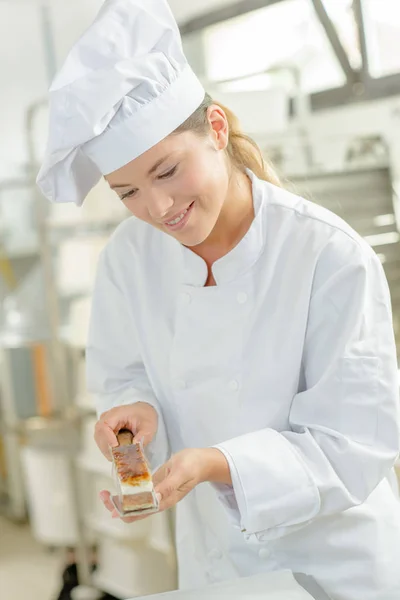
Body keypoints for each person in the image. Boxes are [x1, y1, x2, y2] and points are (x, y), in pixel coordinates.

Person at [37, 1, 400, 599]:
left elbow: (353, 446)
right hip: (220, 566)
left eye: (167, 171)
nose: (156, 208)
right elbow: (124, 372)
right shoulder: (130, 258)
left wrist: (217, 464)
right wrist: (135, 417)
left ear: (217, 129)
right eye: (126, 191)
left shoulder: (328, 255)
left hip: (340, 567)